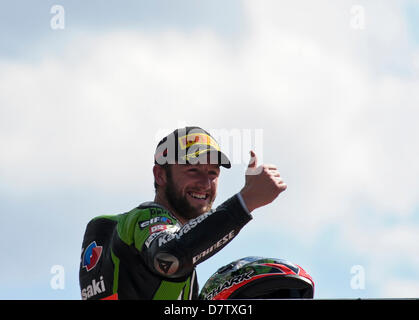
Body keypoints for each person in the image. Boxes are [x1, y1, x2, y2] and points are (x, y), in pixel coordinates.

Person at [79, 126, 287, 300]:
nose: (205, 184)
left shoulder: (129, 234)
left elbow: (187, 242)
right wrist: (246, 201)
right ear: (160, 175)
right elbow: (169, 257)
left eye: (212, 173)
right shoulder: (144, 218)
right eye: (192, 170)